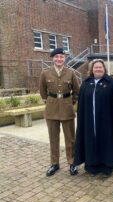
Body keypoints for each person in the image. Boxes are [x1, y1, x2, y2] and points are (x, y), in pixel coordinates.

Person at [74, 59, 113, 176]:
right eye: (95, 67)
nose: (98, 69)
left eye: (100, 67)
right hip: (89, 121)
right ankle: (91, 165)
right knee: (90, 140)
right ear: (92, 70)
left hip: (106, 120)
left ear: (104, 69)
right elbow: (81, 103)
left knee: (106, 140)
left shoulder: (111, 82)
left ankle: (107, 165)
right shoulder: (86, 83)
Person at [39, 47, 80, 176]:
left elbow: (77, 91)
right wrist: (48, 101)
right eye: (56, 57)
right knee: (53, 138)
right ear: (53, 58)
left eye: (61, 57)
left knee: (70, 138)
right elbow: (42, 91)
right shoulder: (45, 73)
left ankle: (72, 162)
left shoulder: (71, 73)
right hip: (51, 109)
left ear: (64, 58)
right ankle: (54, 163)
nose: (59, 59)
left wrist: (71, 102)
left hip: (67, 108)